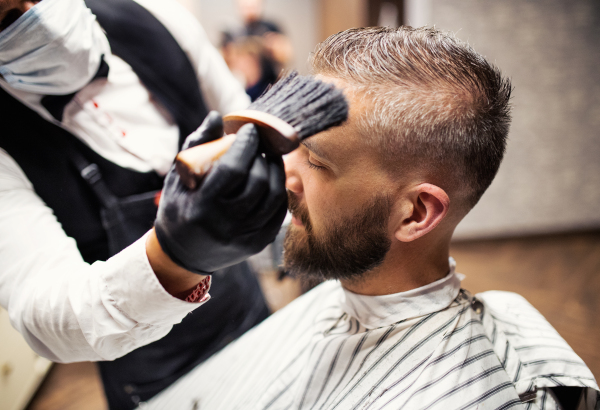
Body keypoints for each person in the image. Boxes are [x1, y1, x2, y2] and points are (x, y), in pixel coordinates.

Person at [142, 27, 599, 410]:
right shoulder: (330, 298)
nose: (283, 176)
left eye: (317, 163)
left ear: (415, 213)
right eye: (290, 146)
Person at [0, 0, 286, 408]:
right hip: (156, 376)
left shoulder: (156, 16)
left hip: (246, 311)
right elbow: (45, 313)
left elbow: (244, 115)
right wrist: (174, 257)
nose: (39, 14)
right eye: (9, 16)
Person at [220, 0, 293, 100]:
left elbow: (287, 55)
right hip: (243, 88)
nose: (249, 6)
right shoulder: (232, 32)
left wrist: (273, 47)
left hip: (269, 87)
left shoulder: (270, 27)